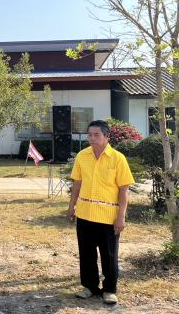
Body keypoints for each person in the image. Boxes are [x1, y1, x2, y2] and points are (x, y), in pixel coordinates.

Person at [68, 120, 134, 305]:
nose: (92, 138)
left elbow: (124, 189)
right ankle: (89, 287)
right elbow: (77, 184)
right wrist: (71, 206)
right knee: (86, 254)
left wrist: (121, 216)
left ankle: (110, 290)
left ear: (107, 137)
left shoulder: (118, 158)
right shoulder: (82, 156)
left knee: (109, 255)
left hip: (108, 217)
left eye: (96, 135)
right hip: (85, 214)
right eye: (89, 135)